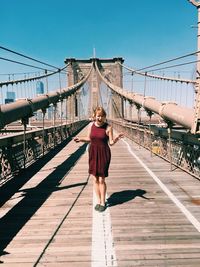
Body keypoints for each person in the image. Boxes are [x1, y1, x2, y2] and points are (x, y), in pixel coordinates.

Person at [74, 106, 124, 212]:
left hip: (104, 154)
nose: (99, 118)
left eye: (102, 116)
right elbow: (89, 138)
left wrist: (117, 138)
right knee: (95, 179)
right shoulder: (91, 126)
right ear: (94, 116)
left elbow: (110, 143)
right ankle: (98, 200)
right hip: (93, 153)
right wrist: (80, 139)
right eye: (98, 116)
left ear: (104, 117)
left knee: (101, 179)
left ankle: (103, 201)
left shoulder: (108, 127)